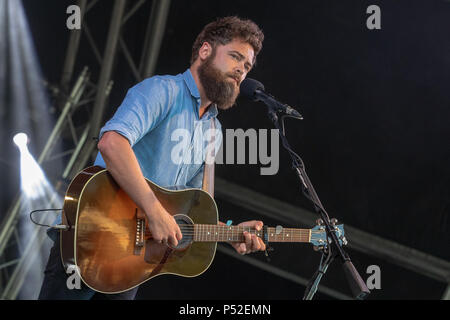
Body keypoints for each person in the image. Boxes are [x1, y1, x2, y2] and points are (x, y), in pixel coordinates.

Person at [39, 16, 266, 300]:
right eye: (235, 57)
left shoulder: (213, 130)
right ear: (205, 51)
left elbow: (191, 210)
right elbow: (112, 143)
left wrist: (230, 232)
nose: (240, 72)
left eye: (246, 67)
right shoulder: (162, 91)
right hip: (91, 239)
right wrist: (154, 211)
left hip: (133, 262)